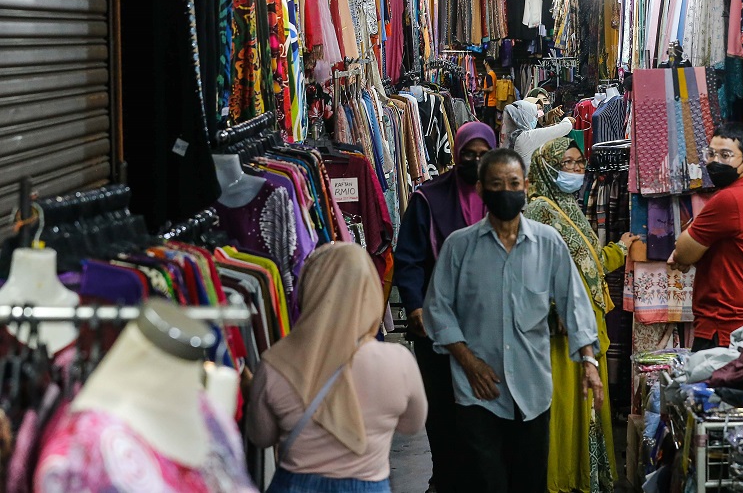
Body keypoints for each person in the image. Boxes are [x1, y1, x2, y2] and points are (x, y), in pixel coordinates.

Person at [424, 148, 603, 493]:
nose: (505, 190)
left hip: (532, 389)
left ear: (526, 187)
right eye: (496, 184)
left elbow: (574, 302)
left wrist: (589, 361)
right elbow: (437, 309)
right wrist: (469, 362)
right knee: (485, 482)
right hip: (477, 393)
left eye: (513, 183)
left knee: (529, 483)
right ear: (480, 190)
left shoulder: (548, 243)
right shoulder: (459, 247)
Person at [248, 243, 428, 492]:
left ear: (308, 290)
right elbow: (412, 425)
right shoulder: (398, 361)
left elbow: (260, 436)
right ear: (370, 292)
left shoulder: (274, 362)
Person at [523, 139, 639, 493]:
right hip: (557, 332)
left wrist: (620, 249)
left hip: (584, 323)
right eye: (568, 163)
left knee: (585, 402)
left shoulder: (570, 209)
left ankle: (580, 477)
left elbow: (590, 264)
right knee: (563, 405)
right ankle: (559, 479)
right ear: (548, 167)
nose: (575, 170)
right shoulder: (536, 211)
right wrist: (555, 307)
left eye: (578, 163)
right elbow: (528, 271)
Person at [393, 121, 496, 493]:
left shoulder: (501, 199)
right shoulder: (428, 199)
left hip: (488, 326)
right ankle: (446, 478)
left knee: (484, 409)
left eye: (483, 156)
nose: (474, 161)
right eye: (468, 154)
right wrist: (416, 307)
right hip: (437, 326)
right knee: (442, 409)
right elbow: (408, 260)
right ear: (456, 154)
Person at [668, 122, 743, 350]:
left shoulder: (729, 200)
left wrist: (684, 252)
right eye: (711, 154)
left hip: (727, 330)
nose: (715, 162)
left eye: (725, 155)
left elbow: (684, 252)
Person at [501, 99, 575, 170]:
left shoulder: (510, 135)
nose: (535, 119)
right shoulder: (526, 137)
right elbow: (564, 128)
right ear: (525, 116)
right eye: (534, 116)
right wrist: (567, 120)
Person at [482, 57, 498, 134]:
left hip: (489, 102)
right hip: (493, 101)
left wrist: (481, 89)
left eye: (484, 61)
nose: (483, 63)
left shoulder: (489, 75)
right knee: (491, 123)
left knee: (488, 123)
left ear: (487, 63)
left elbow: (491, 89)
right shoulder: (493, 74)